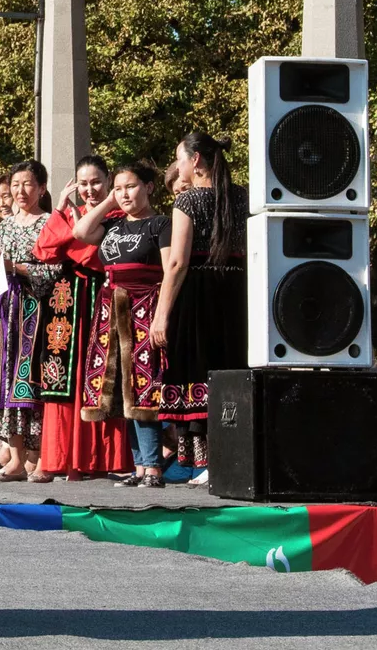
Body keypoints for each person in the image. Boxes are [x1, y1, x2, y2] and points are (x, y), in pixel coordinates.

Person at [32, 156, 132, 481]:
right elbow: (44, 251)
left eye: (96, 182)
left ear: (109, 180)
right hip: (66, 299)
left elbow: (93, 252)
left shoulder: (119, 215)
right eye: (83, 183)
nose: (89, 189)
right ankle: (60, 457)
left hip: (101, 295)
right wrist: (60, 207)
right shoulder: (68, 213)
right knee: (62, 378)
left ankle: (100, 459)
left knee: (102, 373)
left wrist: (73, 229)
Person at [157, 132, 249, 482]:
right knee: (232, 368)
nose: (177, 165)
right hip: (236, 290)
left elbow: (177, 262)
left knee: (197, 370)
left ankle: (207, 462)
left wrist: (162, 314)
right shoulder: (242, 197)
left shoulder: (188, 200)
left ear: (195, 161)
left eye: (180, 158)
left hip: (197, 292)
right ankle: (232, 457)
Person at [74, 163, 171, 487]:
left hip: (145, 307)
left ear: (149, 187)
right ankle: (139, 466)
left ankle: (153, 466)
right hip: (111, 311)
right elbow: (80, 232)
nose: (124, 194)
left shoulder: (160, 224)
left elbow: (171, 269)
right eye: (118, 188)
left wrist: (162, 315)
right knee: (118, 389)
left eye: (131, 186)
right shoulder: (112, 225)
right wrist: (109, 200)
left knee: (143, 387)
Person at [0, 161, 59, 482]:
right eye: (16, 184)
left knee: (31, 381)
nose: (20, 191)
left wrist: (13, 266)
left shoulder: (49, 223)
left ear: (42, 188)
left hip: (35, 309)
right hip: (4, 310)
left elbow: (53, 270)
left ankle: (43, 457)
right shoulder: (5, 226)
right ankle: (16, 459)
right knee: (6, 382)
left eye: (28, 184)